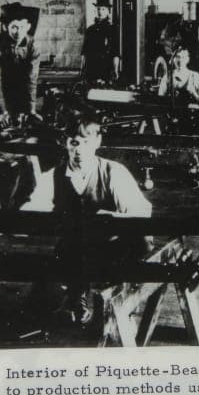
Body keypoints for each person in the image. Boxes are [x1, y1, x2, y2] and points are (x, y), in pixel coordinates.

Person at [52, 112, 153, 324]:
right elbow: (32, 208)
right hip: (81, 245)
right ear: (64, 143)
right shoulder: (54, 176)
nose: (79, 150)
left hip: (118, 243)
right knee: (67, 246)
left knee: (139, 242)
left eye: (86, 143)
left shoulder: (113, 172)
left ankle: (119, 298)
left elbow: (142, 212)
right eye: (74, 143)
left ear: (98, 141)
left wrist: (112, 218)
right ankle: (77, 295)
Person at [0, 2, 41, 128]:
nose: (18, 32)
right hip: (0, 92)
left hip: (23, 91)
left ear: (28, 26)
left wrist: (31, 109)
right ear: (6, 27)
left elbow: (31, 79)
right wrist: (3, 111)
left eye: (22, 27)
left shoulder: (34, 45)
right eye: (14, 27)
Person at [81, 0, 119, 85]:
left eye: (103, 9)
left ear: (108, 11)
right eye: (98, 9)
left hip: (106, 68)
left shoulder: (112, 30)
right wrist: (82, 68)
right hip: (91, 68)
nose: (100, 12)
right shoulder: (90, 30)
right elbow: (84, 51)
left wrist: (116, 69)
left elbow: (115, 52)